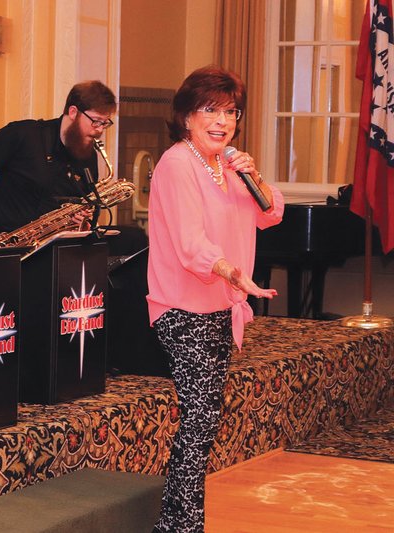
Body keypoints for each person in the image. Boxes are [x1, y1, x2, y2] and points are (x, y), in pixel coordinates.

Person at [146, 66, 283, 533]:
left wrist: (254, 175)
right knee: (201, 419)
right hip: (182, 307)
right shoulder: (177, 163)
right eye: (210, 110)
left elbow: (270, 213)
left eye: (230, 111)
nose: (222, 120)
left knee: (203, 421)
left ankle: (178, 523)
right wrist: (235, 274)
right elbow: (190, 245)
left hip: (220, 307)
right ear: (186, 116)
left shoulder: (227, 165)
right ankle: (180, 526)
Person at [0, 80, 116, 248]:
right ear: (73, 112)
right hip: (1, 248)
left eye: (105, 123)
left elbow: (81, 211)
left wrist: (79, 220)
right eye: (96, 121)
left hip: (51, 253)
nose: (100, 130)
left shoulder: (88, 154)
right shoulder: (24, 134)